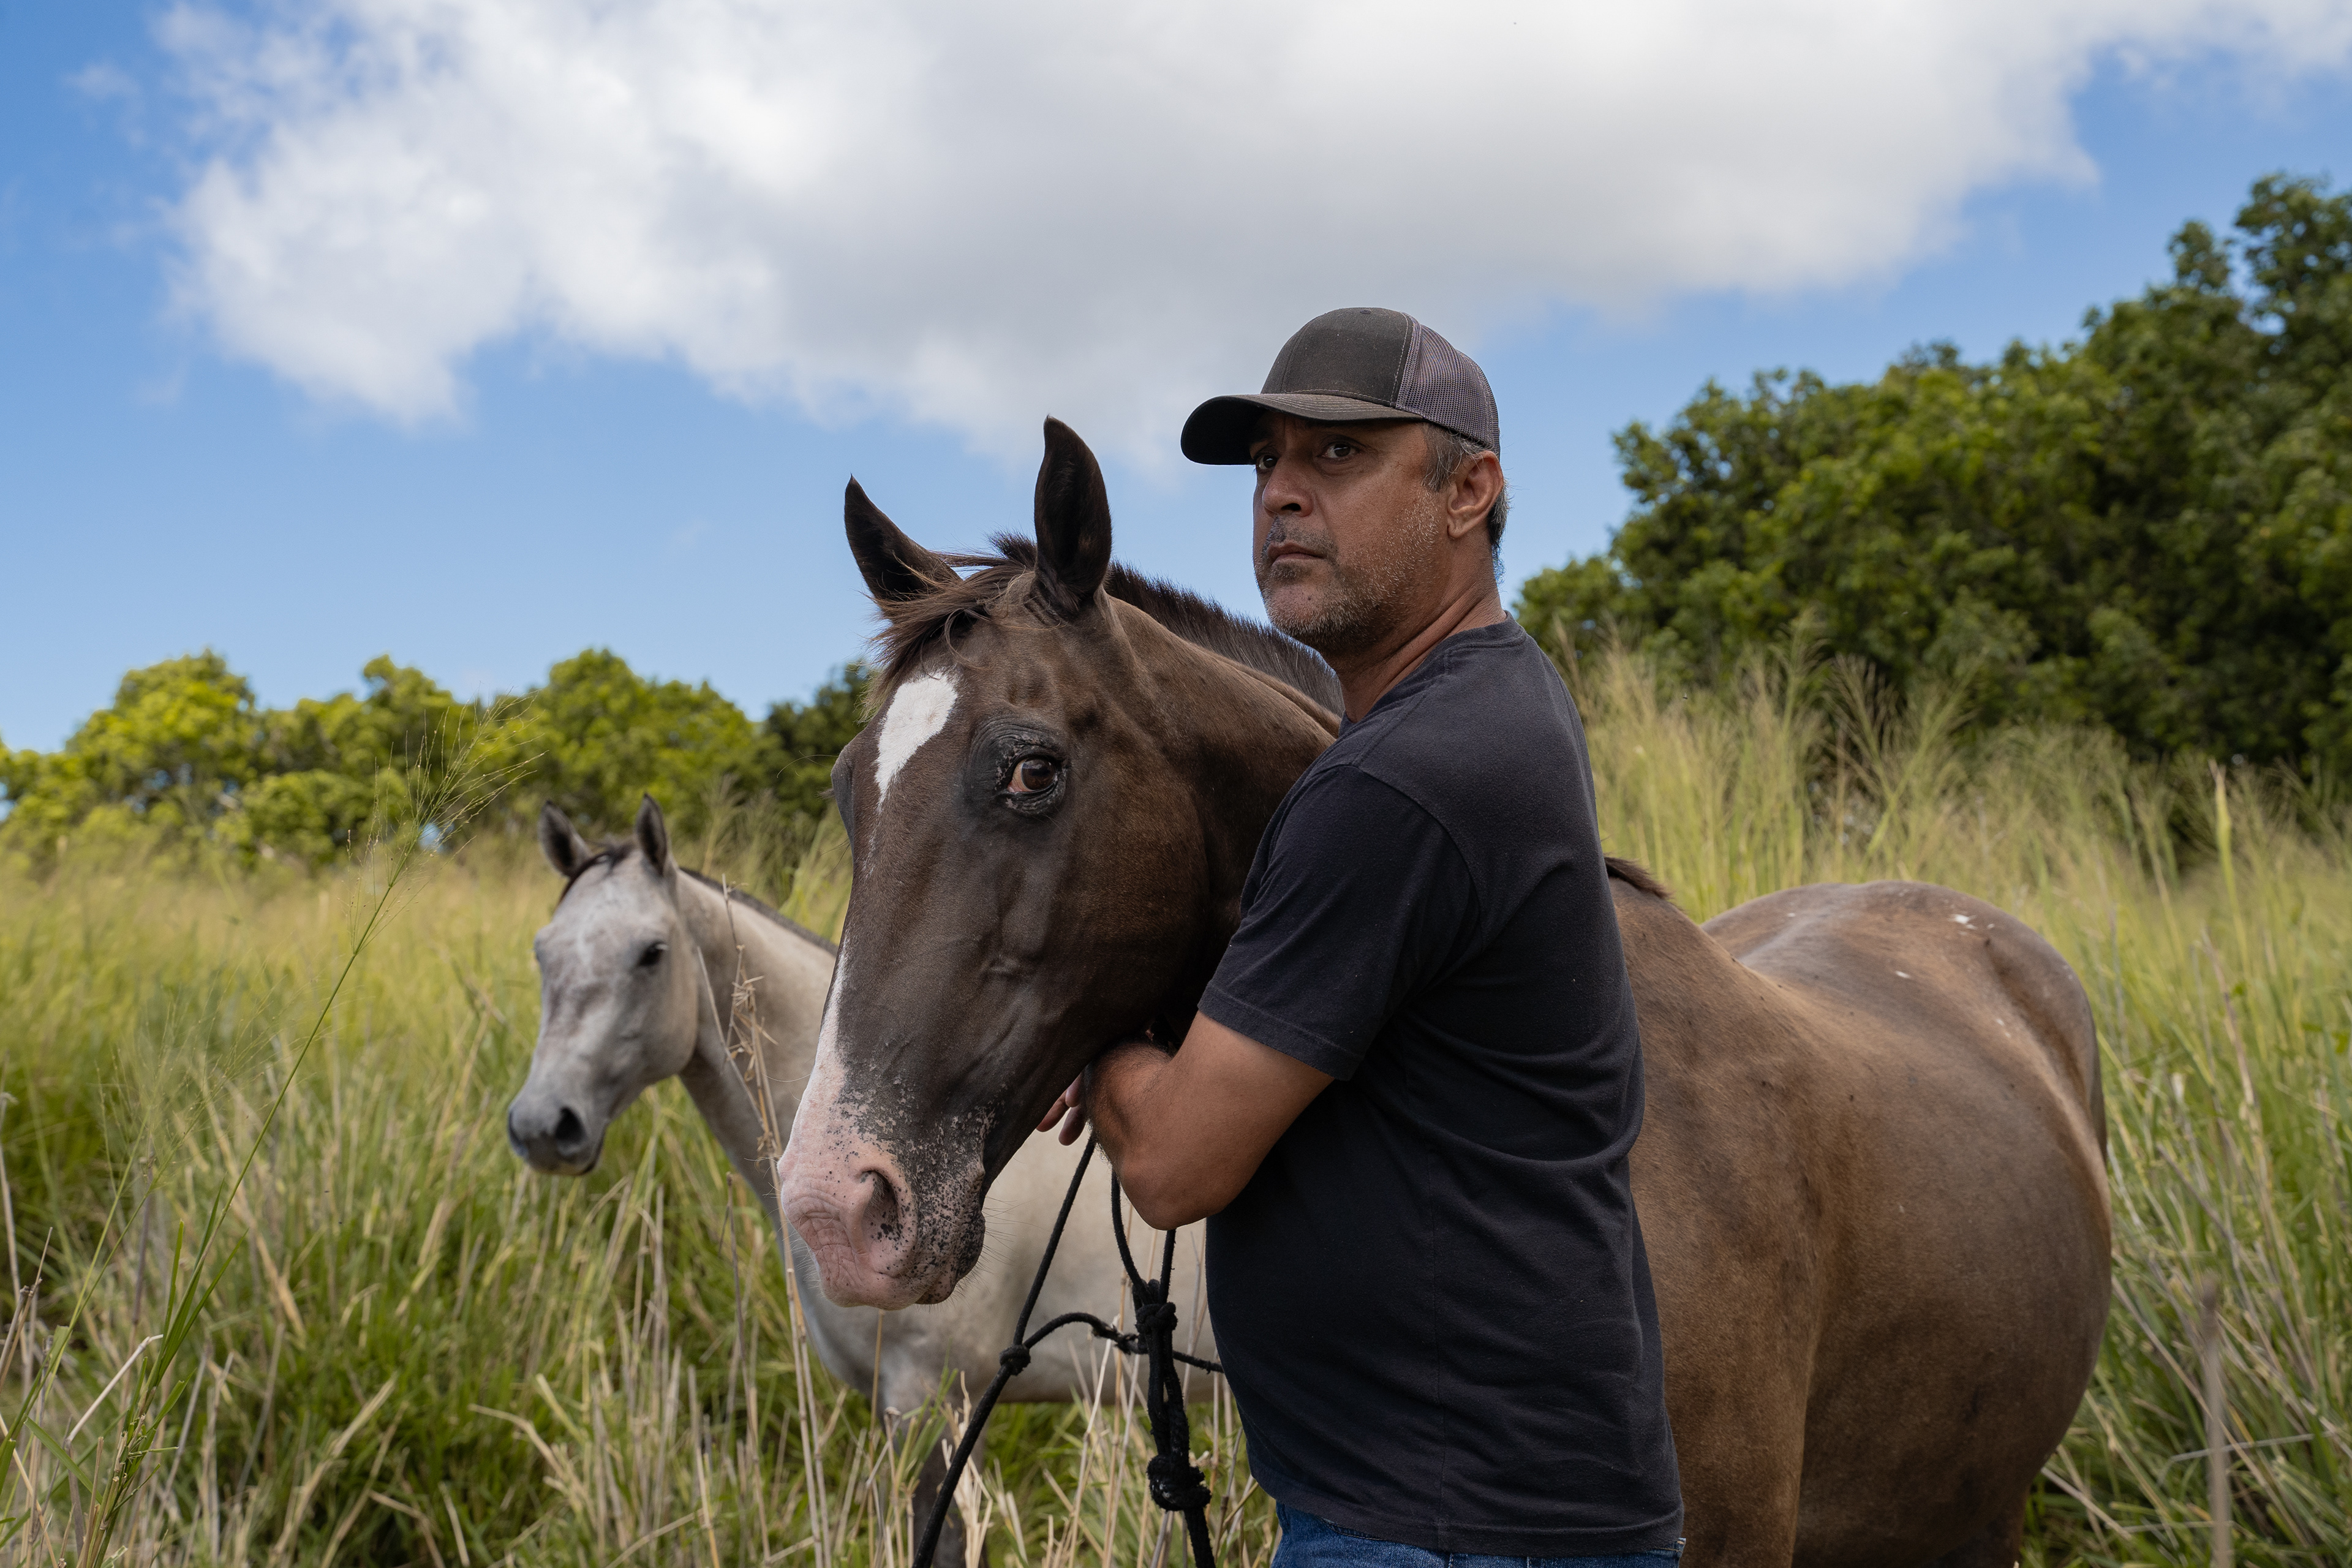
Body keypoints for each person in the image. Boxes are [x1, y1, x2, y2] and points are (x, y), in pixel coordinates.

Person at [1038, 307, 1684, 1566]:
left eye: (1337, 458)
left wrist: (1099, 1021)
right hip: (1512, 1496)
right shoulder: (1502, 698)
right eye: (1267, 463)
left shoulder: (1397, 782)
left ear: (1469, 491)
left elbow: (1171, 1164)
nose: (1281, 494)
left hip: (1433, 1522)